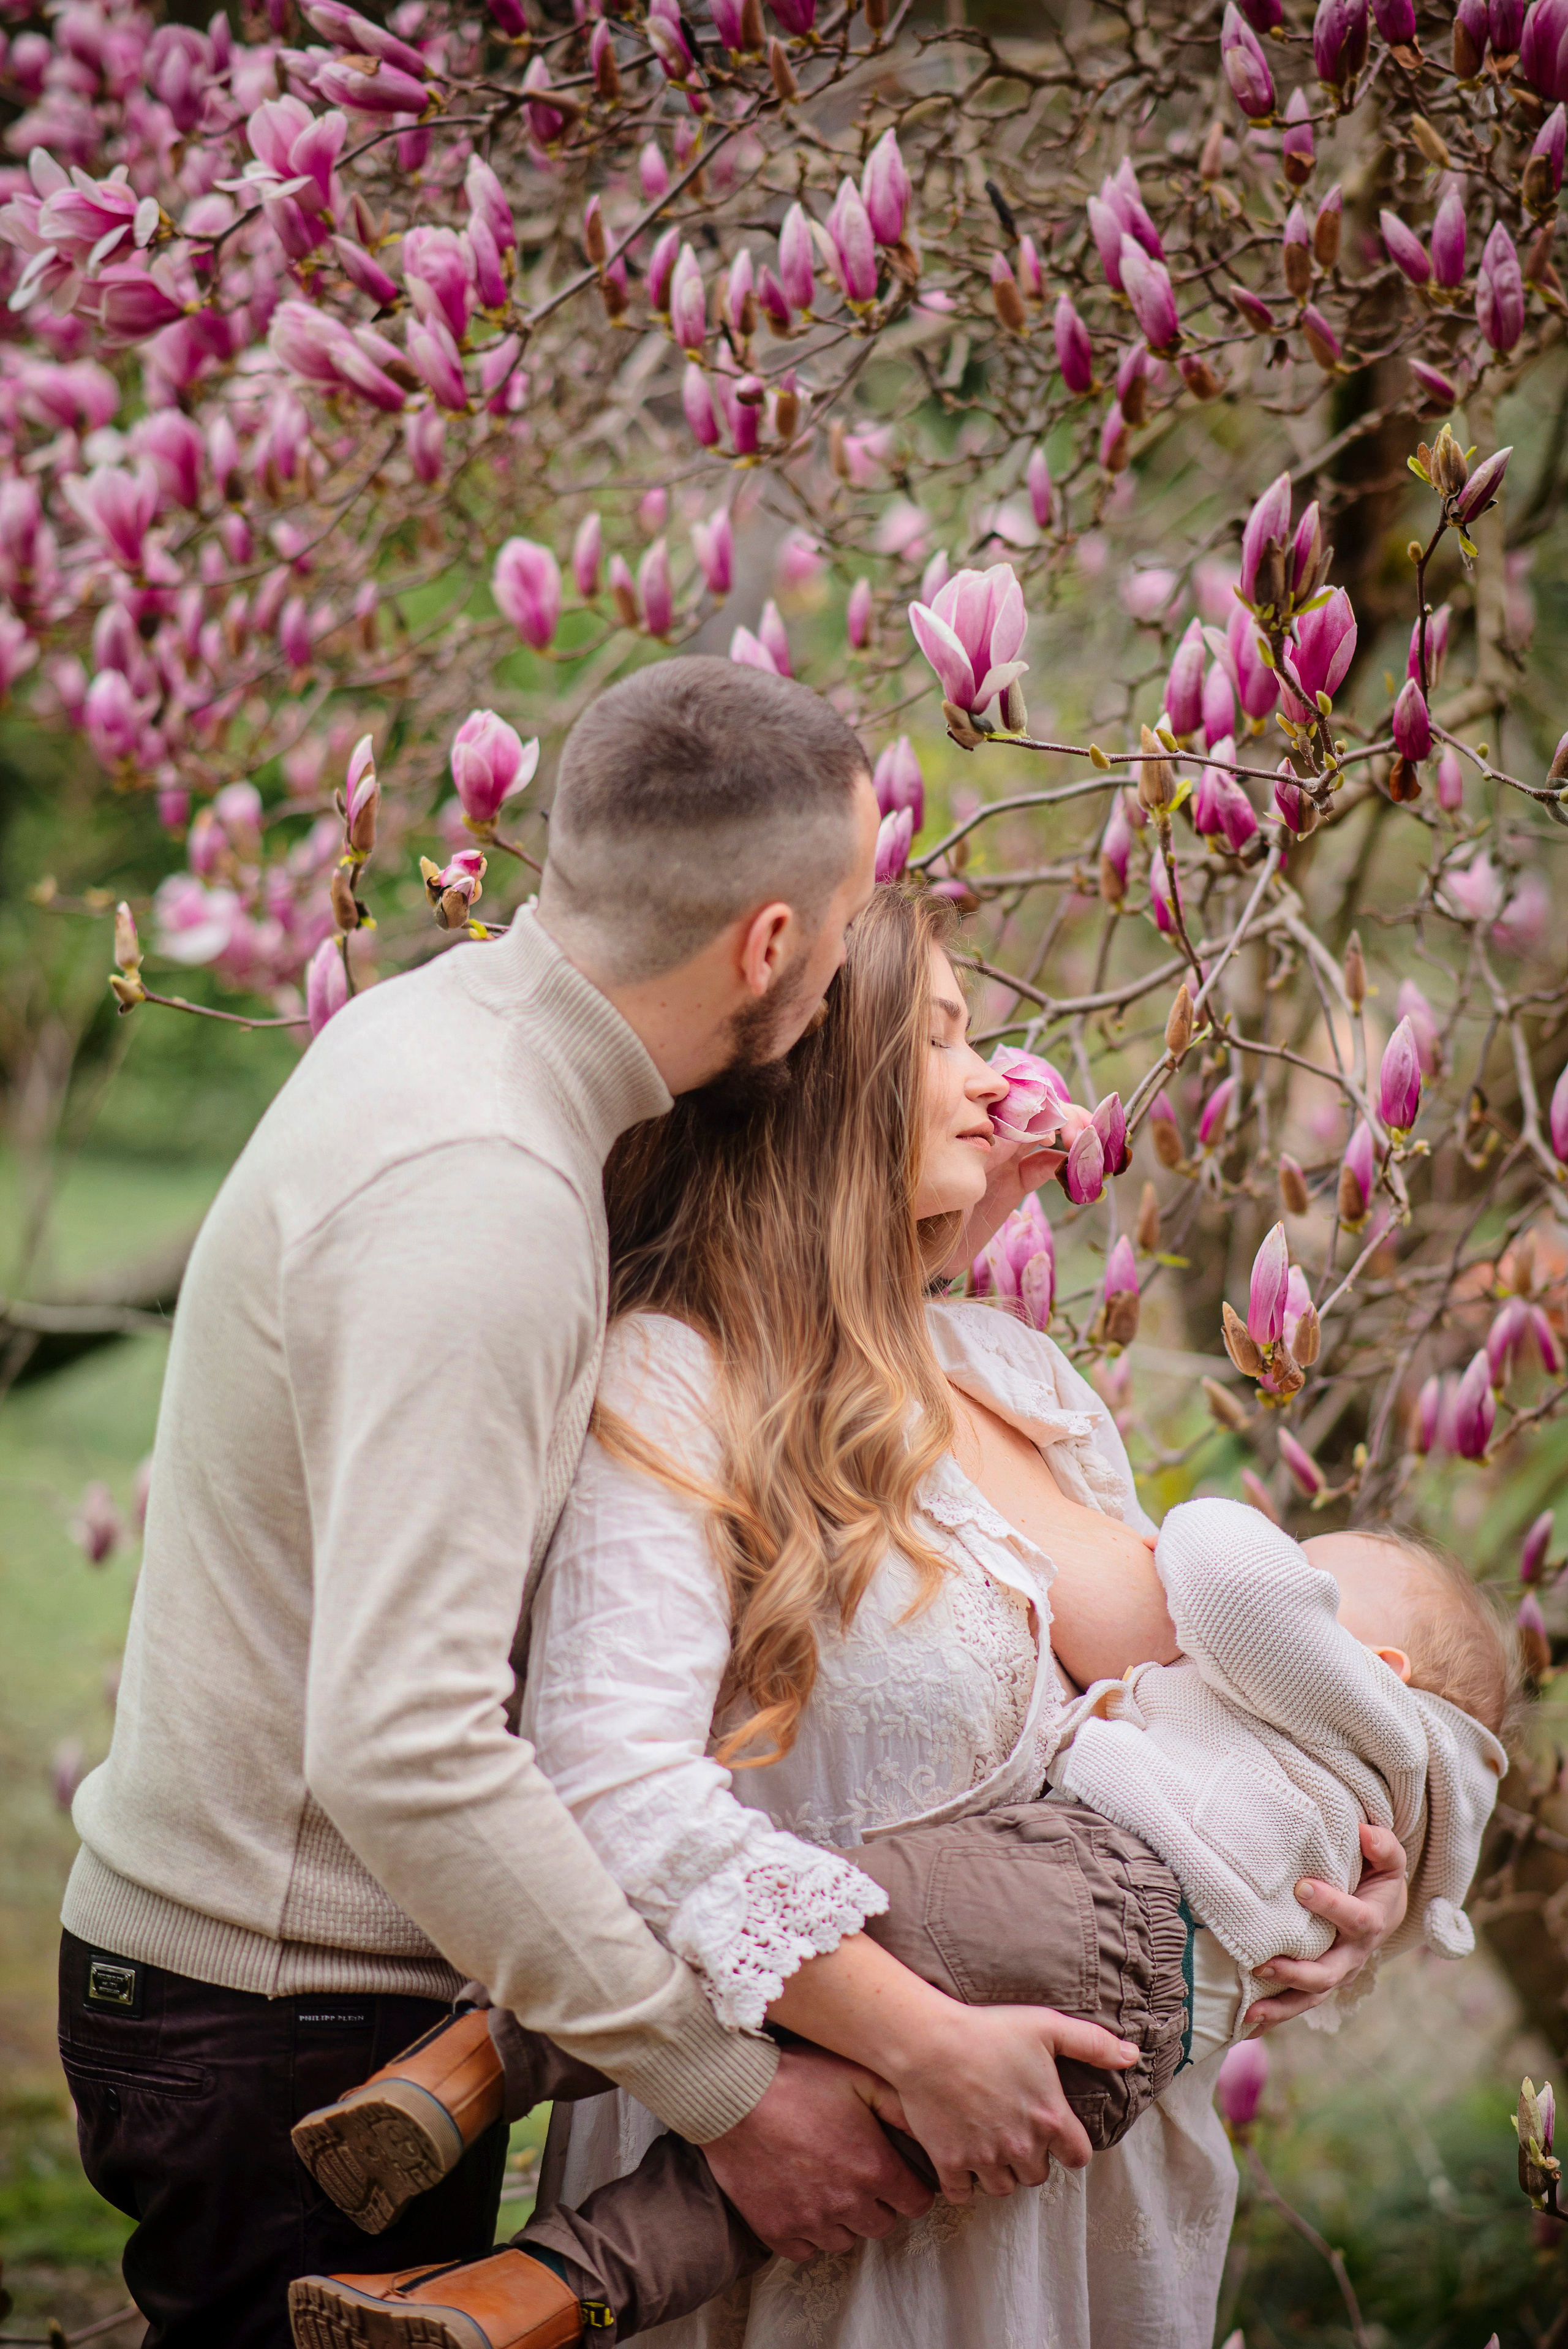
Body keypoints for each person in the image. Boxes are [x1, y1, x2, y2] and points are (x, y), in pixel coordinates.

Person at [56, 657, 1037, 2349]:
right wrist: (724, 2086)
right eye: (851, 915)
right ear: (769, 946)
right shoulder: (485, 1195)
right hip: (278, 2014)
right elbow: (405, 1745)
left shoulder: (455, 1038)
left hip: (276, 1988)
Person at [289, 887, 1415, 2349]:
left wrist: (1340, 1860)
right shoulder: (674, 1382)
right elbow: (611, 1797)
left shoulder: (1020, 1376)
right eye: (942, 1040)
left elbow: (1169, 1731)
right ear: (824, 1084)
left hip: (1070, 2183)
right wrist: (924, 2043)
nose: (1000, 1080)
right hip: (804, 2166)